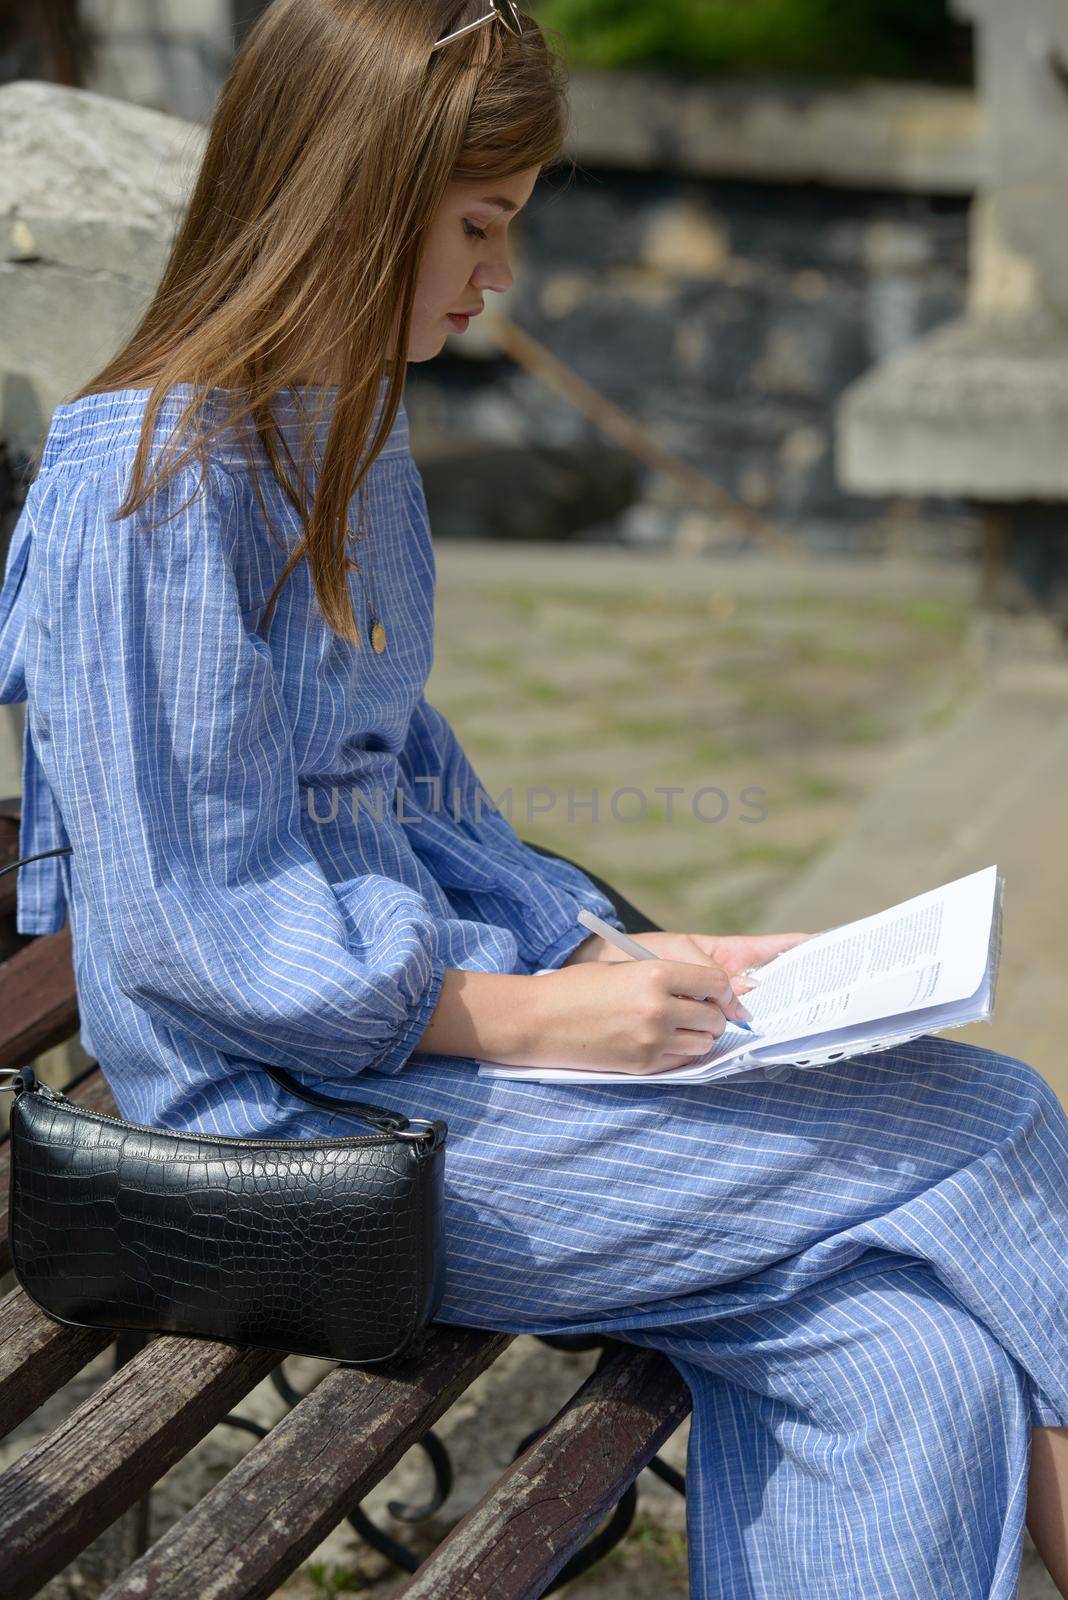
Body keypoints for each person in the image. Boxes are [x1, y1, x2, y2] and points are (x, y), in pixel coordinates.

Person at [0, 3, 1065, 1594]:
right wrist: (530, 1020)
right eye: (481, 225)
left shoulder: (335, 430)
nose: (500, 275)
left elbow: (405, 782)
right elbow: (194, 936)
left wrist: (608, 952)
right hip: (298, 1127)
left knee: (899, 1358)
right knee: (990, 1127)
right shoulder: (147, 488)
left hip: (420, 1064)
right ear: (353, 200)